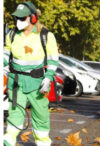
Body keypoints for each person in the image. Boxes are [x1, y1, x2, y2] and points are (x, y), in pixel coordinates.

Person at [3, 1, 59, 146]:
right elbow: (6, 54)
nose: (18, 21)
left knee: (41, 115)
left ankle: (43, 142)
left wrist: (48, 78)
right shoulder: (12, 34)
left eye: (22, 18)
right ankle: (8, 140)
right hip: (16, 82)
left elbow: (53, 60)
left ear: (33, 18)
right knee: (15, 112)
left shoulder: (46, 35)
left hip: (38, 83)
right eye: (17, 18)